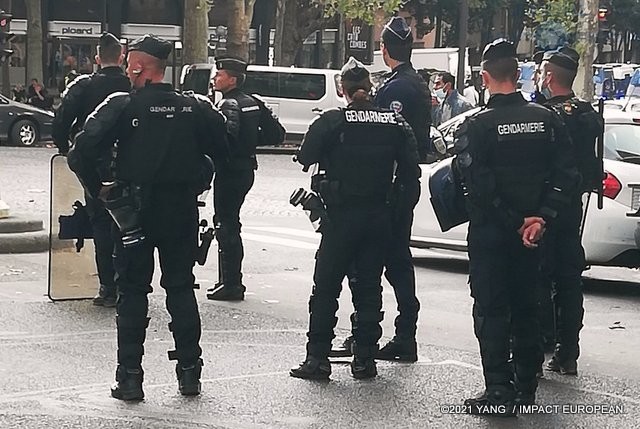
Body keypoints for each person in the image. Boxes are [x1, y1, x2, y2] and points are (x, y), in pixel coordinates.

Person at [71, 34, 229, 401]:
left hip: (133, 213)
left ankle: (130, 378)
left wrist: (102, 190)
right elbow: (223, 150)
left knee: (132, 292)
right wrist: (198, 175)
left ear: (140, 67)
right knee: (179, 287)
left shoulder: (122, 105)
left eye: (129, 64)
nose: (126, 70)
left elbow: (80, 150)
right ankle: (190, 372)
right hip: (180, 210)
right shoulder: (196, 107)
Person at [454, 39, 578, 415]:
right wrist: (540, 219)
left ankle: (498, 391)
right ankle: (526, 385)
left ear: (486, 77)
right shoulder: (548, 119)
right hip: (535, 236)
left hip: (494, 234)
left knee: (491, 309)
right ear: (518, 75)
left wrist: (513, 221)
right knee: (528, 306)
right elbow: (566, 175)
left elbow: (477, 186)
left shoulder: (477, 125)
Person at [290, 57, 420, 380]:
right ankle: (364, 359)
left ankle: (318, 358)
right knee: (368, 287)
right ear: (370, 88)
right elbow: (411, 172)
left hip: (340, 216)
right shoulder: (395, 123)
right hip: (379, 215)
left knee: (326, 288)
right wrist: (396, 213)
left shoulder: (333, 121)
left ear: (343, 90)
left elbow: (305, 157)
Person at [52, 33, 131, 308]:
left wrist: (65, 148)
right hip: (127, 162)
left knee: (99, 221)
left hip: (92, 162)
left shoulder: (84, 86)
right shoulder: (132, 84)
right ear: (121, 56)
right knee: (126, 223)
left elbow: (61, 120)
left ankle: (107, 286)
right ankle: (126, 284)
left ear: (97, 58)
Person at [538, 47, 603, 376]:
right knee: (568, 278)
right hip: (572, 206)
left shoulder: (545, 114)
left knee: (539, 276)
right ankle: (567, 351)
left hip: (544, 207)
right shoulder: (587, 114)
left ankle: (536, 345)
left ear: (549, 76)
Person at [206, 56, 285, 301]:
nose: (215, 79)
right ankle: (228, 280)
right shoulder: (253, 102)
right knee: (230, 223)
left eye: (219, 75)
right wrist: (250, 143)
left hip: (230, 170)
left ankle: (231, 283)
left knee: (225, 224)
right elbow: (277, 134)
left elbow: (225, 140)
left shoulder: (228, 104)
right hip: (246, 168)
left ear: (232, 79)